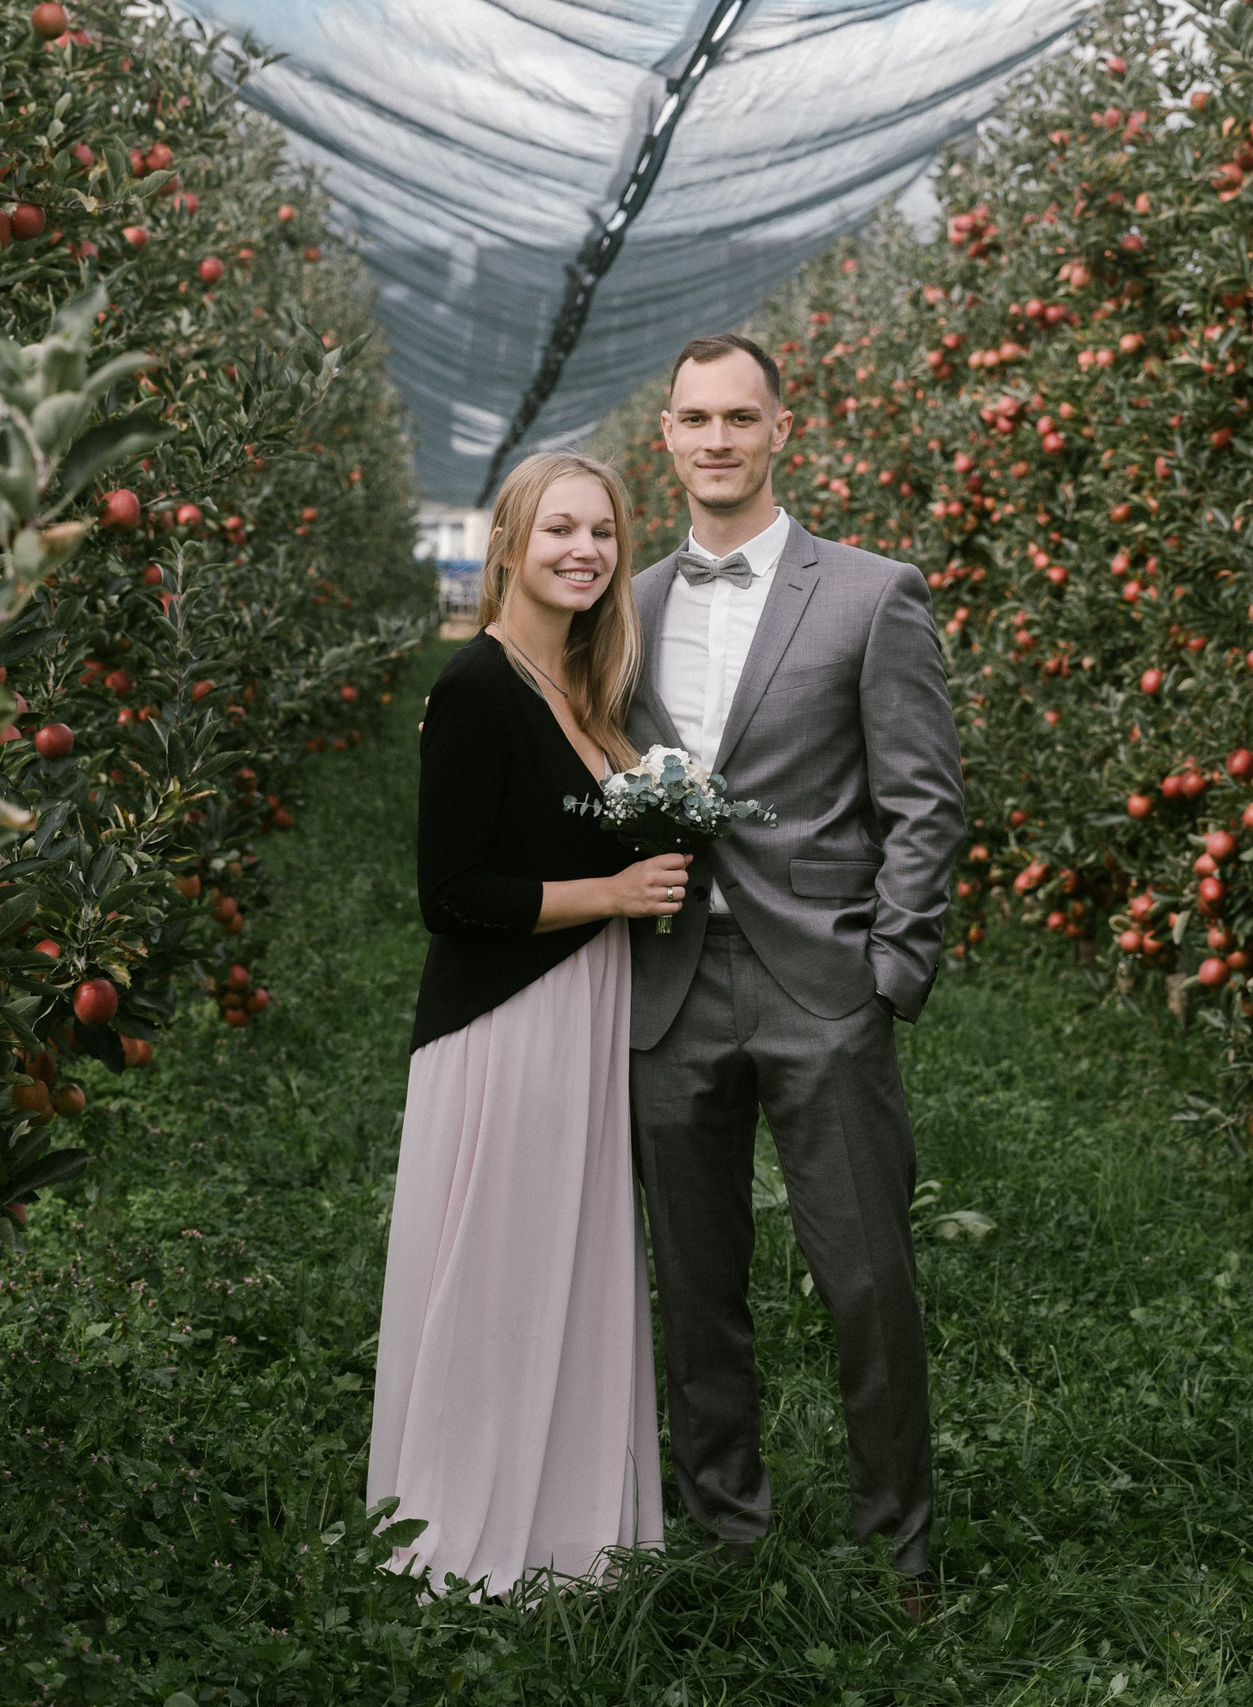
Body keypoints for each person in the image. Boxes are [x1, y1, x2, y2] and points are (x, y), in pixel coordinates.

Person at [625, 333, 965, 1617]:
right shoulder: (630, 601)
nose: (715, 441)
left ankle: (902, 1557)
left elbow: (924, 801)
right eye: (693, 418)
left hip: (822, 983)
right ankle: (728, 1533)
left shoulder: (873, 595)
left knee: (866, 1277)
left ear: (783, 432)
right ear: (666, 435)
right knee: (694, 1282)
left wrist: (892, 969)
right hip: (664, 983)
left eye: (738, 419)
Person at [367, 451, 691, 1597]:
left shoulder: (590, 695)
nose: (583, 552)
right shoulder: (478, 687)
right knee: (504, 1271)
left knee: (572, 1263)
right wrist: (614, 893)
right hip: (509, 1025)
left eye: (602, 534)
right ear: (510, 540)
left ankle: (570, 1527)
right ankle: (469, 1530)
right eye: (559, 530)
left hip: (587, 1013)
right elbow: (449, 895)